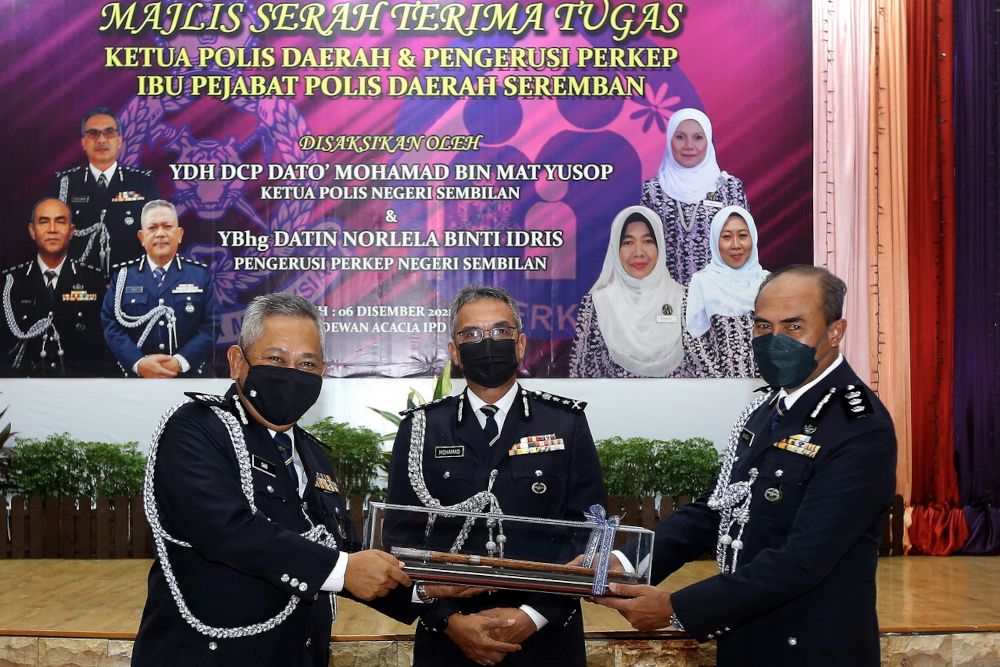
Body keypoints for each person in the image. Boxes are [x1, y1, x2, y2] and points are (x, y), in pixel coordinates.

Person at [594, 265, 897, 667]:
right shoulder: (766, 408)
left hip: (811, 647)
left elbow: (804, 559)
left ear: (835, 332)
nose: (774, 340)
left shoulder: (857, 426)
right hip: (745, 637)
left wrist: (677, 608)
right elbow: (714, 510)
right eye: (763, 326)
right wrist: (623, 562)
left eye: (794, 327)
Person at [132, 292, 416, 666]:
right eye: (276, 359)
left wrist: (431, 598)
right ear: (238, 362)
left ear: (322, 372)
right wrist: (343, 570)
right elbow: (226, 531)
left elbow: (342, 550)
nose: (291, 374)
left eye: (307, 364)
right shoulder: (195, 428)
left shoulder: (313, 455)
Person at [386, 285, 606, 667]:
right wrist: (449, 620)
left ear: (520, 345)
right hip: (449, 641)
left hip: (545, 638)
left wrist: (533, 615)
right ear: (455, 352)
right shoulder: (422, 428)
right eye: (471, 334)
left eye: (500, 331)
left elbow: (588, 531)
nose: (487, 342)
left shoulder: (565, 423)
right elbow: (401, 537)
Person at [100, 199, 219, 377]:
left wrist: (180, 362)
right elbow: (111, 324)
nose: (160, 234)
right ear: (142, 237)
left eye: (167, 226)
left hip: (187, 379)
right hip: (135, 381)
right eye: (152, 228)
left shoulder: (199, 276)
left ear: (179, 234)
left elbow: (211, 326)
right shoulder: (123, 277)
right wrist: (138, 363)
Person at [569, 205, 687, 378]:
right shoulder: (598, 304)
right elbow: (581, 376)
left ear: (660, 246)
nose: (639, 253)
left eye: (648, 241)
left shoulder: (685, 301)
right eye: (628, 242)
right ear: (615, 249)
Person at [0, 198, 111, 377]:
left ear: (71, 231)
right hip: (24, 384)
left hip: (79, 384)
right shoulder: (9, 282)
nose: (52, 229)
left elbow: (104, 346)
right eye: (44, 222)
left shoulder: (94, 280)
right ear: (32, 231)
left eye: (60, 222)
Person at [641, 108, 748, 286]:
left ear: (708, 141)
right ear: (669, 140)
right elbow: (646, 246)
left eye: (698, 137)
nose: (689, 145)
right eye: (680, 137)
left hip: (720, 289)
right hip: (667, 292)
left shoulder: (729, 188)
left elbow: (743, 244)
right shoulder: (653, 190)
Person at [52, 106, 158, 275]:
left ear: (119, 140)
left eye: (109, 132)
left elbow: (156, 234)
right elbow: (52, 238)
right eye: (93, 133)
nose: (101, 139)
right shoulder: (65, 183)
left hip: (131, 279)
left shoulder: (142, 182)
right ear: (83, 143)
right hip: (78, 280)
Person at [685, 206, 768, 377]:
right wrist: (722, 384)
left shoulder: (768, 282)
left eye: (743, 235)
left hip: (766, 385)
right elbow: (694, 344)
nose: (736, 245)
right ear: (715, 241)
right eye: (727, 237)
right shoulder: (702, 282)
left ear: (753, 237)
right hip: (717, 387)